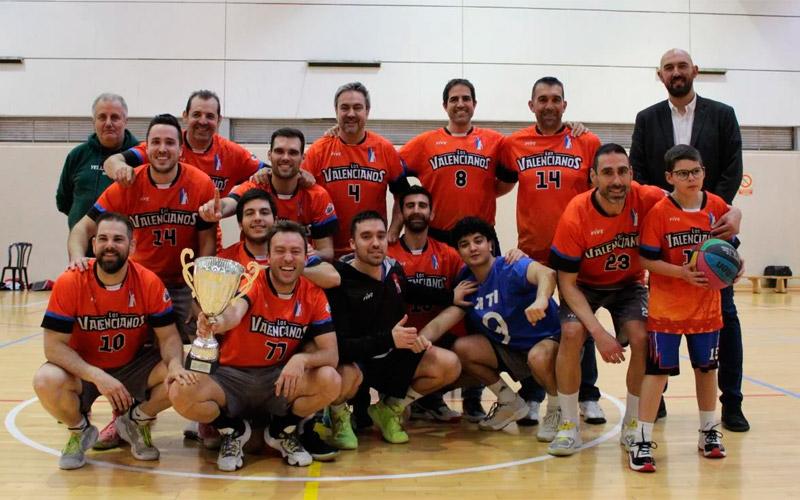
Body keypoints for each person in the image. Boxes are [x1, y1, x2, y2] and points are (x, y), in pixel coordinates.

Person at [67, 114, 217, 448]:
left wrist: (202, 293)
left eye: (170, 143)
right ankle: (122, 421)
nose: (162, 149)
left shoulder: (200, 183)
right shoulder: (127, 183)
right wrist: (77, 256)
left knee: (212, 343)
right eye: (156, 143)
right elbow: (82, 228)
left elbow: (207, 243)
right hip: (136, 286)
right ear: (145, 147)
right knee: (131, 358)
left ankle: (207, 416)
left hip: (182, 284)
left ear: (181, 148)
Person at [629, 48, 749, 432]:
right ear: (660, 75)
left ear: (694, 71)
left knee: (725, 317)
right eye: (669, 68)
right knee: (662, 316)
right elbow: (641, 172)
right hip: (667, 233)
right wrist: (668, 210)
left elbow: (732, 168)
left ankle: (731, 403)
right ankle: (657, 399)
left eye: (682, 66)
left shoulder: (722, 114)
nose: (676, 72)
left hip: (712, 230)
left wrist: (718, 211)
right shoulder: (647, 119)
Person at [168, 221, 341, 470]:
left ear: (306, 256)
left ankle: (282, 430)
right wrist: (217, 322)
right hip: (231, 378)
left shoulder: (313, 293)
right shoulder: (254, 280)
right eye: (280, 251)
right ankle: (233, 430)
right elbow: (235, 313)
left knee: (330, 379)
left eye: (295, 251)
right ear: (268, 256)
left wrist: (301, 360)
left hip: (278, 380)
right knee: (180, 393)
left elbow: (331, 353)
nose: (288, 258)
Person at [33, 212, 197, 470]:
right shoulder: (70, 281)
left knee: (185, 374)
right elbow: (53, 346)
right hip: (84, 368)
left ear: (131, 246)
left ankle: (135, 421)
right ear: (94, 243)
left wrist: (175, 363)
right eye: (103, 238)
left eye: (118, 239)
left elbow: (169, 337)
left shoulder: (148, 282)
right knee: (45, 380)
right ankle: (79, 430)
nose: (110, 245)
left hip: (132, 365)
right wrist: (96, 375)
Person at [399, 78, 517, 421]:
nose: (460, 104)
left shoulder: (494, 141)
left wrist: (483, 197)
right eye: (454, 99)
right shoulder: (425, 142)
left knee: (479, 316)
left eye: (466, 98)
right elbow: (394, 174)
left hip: (480, 238)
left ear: (475, 104)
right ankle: (430, 395)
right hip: (440, 236)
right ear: (445, 105)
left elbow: (507, 180)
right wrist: (396, 221)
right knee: (443, 310)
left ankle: (473, 396)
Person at [547, 144, 669, 457]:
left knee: (642, 337)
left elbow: (692, 210)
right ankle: (569, 424)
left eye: (622, 171)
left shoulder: (650, 198)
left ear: (631, 173)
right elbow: (566, 283)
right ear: (593, 178)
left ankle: (632, 422)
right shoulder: (576, 214)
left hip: (628, 284)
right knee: (572, 334)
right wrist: (600, 335)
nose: (616, 180)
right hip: (584, 285)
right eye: (607, 172)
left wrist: (732, 216)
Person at [499, 77, 605, 427]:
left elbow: (602, 192)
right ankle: (533, 394)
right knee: (535, 324)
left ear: (565, 104)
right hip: (533, 251)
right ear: (531, 105)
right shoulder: (514, 143)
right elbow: (497, 184)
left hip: (579, 251)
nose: (549, 105)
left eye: (555, 99)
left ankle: (588, 395)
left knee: (578, 324)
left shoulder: (586, 141)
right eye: (542, 99)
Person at [320, 211, 474, 449]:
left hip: (390, 356)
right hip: (356, 362)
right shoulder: (340, 281)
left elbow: (410, 290)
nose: (375, 243)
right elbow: (339, 348)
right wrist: (389, 340)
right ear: (352, 243)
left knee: (448, 363)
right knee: (342, 375)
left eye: (381, 236)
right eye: (366, 236)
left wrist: (450, 295)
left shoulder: (393, 269)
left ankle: (389, 409)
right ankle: (339, 415)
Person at [629, 145, 734, 472]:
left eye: (696, 171)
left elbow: (729, 250)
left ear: (704, 172)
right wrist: (681, 272)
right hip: (666, 310)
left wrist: (736, 266)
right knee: (656, 374)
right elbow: (645, 259)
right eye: (684, 173)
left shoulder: (716, 207)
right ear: (669, 177)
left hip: (706, 309)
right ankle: (641, 439)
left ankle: (709, 432)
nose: (691, 178)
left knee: (707, 370)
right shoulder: (659, 212)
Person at [418, 217, 562, 443]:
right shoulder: (467, 281)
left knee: (538, 356)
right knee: (462, 348)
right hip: (510, 349)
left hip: (548, 344)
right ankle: (509, 402)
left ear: (490, 244)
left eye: (478, 241)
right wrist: (418, 340)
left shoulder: (511, 266)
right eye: (465, 244)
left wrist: (542, 300)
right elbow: (443, 321)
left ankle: (557, 409)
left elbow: (547, 274)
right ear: (459, 252)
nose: (473, 248)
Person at [386, 185, 466, 422]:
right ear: (401, 214)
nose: (416, 211)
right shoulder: (387, 254)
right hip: (397, 343)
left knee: (466, 351)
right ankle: (390, 399)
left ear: (431, 214)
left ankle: (431, 399)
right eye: (410, 206)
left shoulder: (448, 254)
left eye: (422, 206)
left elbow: (472, 286)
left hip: (435, 341)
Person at [301, 82, 408, 257]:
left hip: (369, 252)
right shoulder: (318, 150)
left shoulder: (384, 148)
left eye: (357, 107)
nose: (351, 113)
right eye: (345, 108)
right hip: (328, 253)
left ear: (367, 111)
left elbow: (403, 194)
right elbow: (298, 193)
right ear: (336, 111)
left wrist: (394, 230)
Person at [200, 128, 339, 260]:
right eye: (279, 151)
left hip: (299, 270)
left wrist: (299, 254)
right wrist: (216, 207)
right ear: (269, 155)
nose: (285, 157)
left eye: (293, 152)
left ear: (303, 158)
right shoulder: (256, 186)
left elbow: (327, 252)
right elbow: (231, 203)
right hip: (252, 270)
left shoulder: (317, 195)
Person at [103, 89, 264, 196]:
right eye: (196, 114)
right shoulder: (166, 146)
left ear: (219, 120)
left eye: (209, 116)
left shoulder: (232, 153)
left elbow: (269, 173)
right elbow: (112, 161)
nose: (203, 121)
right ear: (185, 116)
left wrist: (236, 198)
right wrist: (121, 169)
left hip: (205, 238)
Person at [56, 93, 140, 231]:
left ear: (125, 121)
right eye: (102, 117)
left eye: (115, 117)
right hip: (82, 246)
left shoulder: (139, 156)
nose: (108, 123)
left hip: (126, 246)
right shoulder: (78, 155)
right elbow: (63, 202)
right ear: (93, 121)